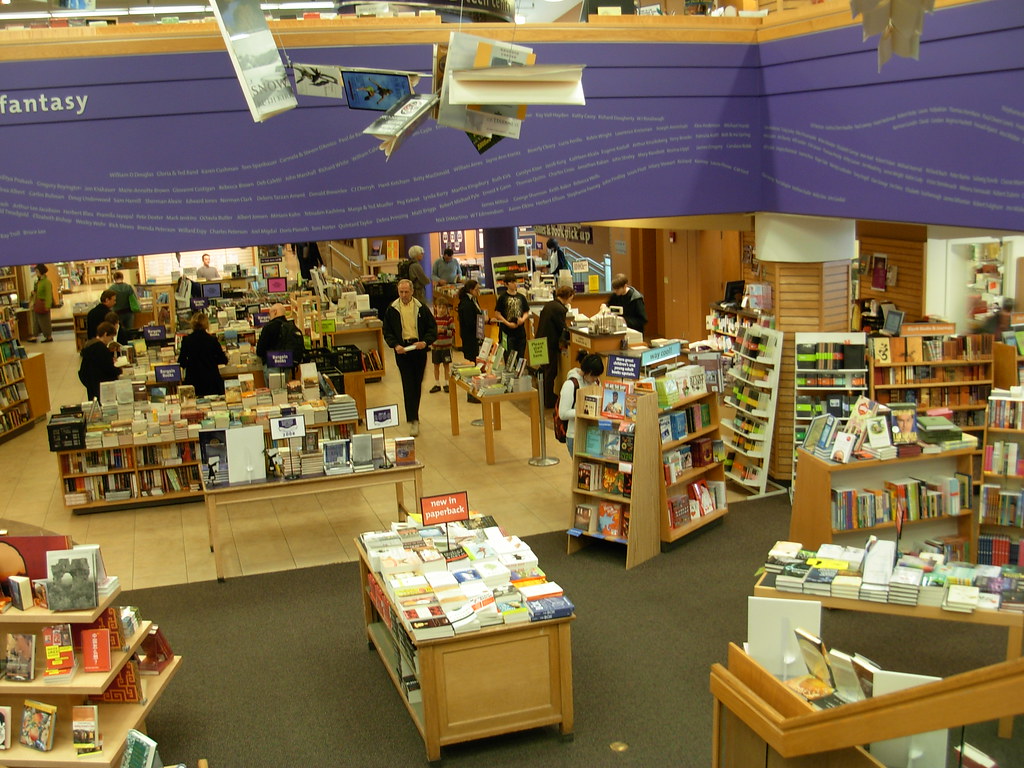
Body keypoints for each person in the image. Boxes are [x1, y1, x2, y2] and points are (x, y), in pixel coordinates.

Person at [382, 279, 437, 437]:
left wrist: (425, 342)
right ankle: (412, 419)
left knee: (417, 384)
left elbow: (432, 328)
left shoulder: (421, 308)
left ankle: (414, 414)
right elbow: (387, 331)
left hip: (418, 350)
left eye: (406, 292)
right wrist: (394, 345)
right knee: (408, 385)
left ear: (412, 291)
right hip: (402, 351)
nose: (404, 295)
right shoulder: (392, 309)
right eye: (401, 292)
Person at [536, 285, 575, 408]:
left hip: (540, 341)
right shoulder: (560, 309)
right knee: (551, 372)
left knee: (543, 369)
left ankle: (543, 396)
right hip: (550, 343)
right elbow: (562, 327)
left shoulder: (549, 305)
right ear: (568, 296)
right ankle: (548, 400)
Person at [558, 352, 605, 456]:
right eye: (594, 376)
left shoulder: (596, 382)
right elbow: (563, 414)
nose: (596, 379)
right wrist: (586, 411)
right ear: (587, 372)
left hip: (594, 434)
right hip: (575, 435)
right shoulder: (570, 385)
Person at [178, 312, 229, 397]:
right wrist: (212, 360)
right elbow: (223, 360)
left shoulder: (187, 340)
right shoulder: (212, 340)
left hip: (193, 381)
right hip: (211, 382)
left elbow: (181, 361)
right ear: (206, 324)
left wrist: (191, 363)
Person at [78, 321, 120, 401]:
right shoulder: (101, 348)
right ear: (105, 334)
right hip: (101, 385)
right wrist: (119, 370)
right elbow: (109, 369)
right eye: (111, 337)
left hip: (91, 383)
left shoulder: (90, 344)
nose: (111, 340)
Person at [494, 275, 530, 364]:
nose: (515, 284)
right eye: (512, 282)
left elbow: (526, 311)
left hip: (520, 331)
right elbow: (497, 314)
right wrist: (507, 323)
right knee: (509, 357)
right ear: (506, 284)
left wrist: (522, 319)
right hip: (507, 332)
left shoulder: (521, 297)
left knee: (520, 357)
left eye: (515, 282)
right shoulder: (502, 297)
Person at [429, 298, 455, 394]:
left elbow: (452, 332)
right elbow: (430, 332)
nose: (442, 310)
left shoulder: (449, 319)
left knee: (446, 365)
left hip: (446, 347)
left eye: (444, 308)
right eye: (439, 307)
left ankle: (447, 383)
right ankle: (437, 384)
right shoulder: (433, 319)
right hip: (435, 347)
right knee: (436, 366)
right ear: (436, 308)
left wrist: (443, 331)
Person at [28, 264, 57, 343]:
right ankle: (35, 336)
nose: (36, 273)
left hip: (43, 304)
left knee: (45, 321)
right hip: (37, 303)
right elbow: (36, 291)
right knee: (36, 321)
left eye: (37, 271)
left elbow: (48, 295)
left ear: (41, 271)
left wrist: (47, 305)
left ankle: (48, 336)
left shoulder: (46, 282)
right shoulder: (38, 281)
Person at [457, 280, 485, 363]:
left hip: (478, 333)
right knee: (473, 359)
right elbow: (469, 322)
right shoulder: (466, 303)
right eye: (477, 289)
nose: (478, 291)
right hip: (471, 337)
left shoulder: (474, 300)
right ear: (470, 290)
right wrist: (483, 320)